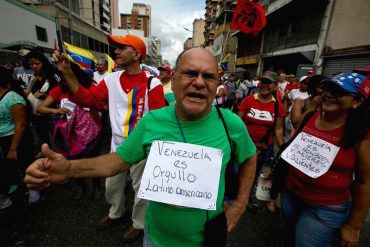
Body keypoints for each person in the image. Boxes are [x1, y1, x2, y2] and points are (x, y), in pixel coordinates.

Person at [24, 47, 257, 247]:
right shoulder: (152, 122)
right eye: (190, 73)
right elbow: (117, 160)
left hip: (209, 239)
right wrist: (68, 169)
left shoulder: (231, 123)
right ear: (173, 80)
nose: (199, 82)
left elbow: (249, 157)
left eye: (208, 76)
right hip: (155, 239)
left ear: (217, 84)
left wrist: (239, 204)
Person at [50, 34, 166, 242]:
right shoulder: (111, 80)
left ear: (137, 54)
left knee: (141, 191)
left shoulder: (153, 83)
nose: (115, 51)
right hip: (117, 147)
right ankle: (116, 212)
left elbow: (159, 120)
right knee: (111, 186)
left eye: (122, 47)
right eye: (116, 47)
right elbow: (88, 99)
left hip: (142, 149)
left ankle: (138, 224)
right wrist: (67, 71)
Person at [280, 72, 370, 247]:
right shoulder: (309, 116)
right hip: (291, 195)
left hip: (326, 208)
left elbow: (364, 182)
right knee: (287, 240)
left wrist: (353, 226)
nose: (329, 94)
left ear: (357, 102)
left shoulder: (362, 133)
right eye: (328, 88)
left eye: (339, 91)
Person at [36, 62, 103, 200]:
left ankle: (97, 186)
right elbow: (40, 108)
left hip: (92, 131)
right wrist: (56, 110)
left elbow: (101, 104)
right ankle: (81, 186)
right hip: (71, 134)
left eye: (66, 74)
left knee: (93, 161)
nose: (63, 78)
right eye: (62, 75)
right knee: (73, 161)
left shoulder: (89, 86)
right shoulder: (59, 89)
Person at [237, 71, 286, 212]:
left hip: (264, 148)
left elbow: (278, 130)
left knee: (255, 173)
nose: (264, 85)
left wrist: (283, 148)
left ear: (275, 85)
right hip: (245, 145)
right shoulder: (248, 100)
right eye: (263, 82)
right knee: (239, 170)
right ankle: (234, 195)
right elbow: (237, 124)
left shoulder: (278, 106)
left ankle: (246, 197)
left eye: (268, 82)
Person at [0, 66, 33, 209]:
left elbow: (21, 125)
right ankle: (15, 187)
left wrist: (13, 148)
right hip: (3, 139)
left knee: (25, 164)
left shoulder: (13, 98)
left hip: (16, 138)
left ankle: (34, 190)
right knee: (8, 167)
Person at [25, 51, 59, 155]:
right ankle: (47, 155)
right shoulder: (32, 78)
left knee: (58, 137)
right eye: (31, 64)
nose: (34, 66)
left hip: (52, 113)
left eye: (37, 63)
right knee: (43, 138)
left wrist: (45, 95)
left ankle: (62, 156)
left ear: (43, 63)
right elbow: (30, 92)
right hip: (38, 115)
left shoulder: (53, 76)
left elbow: (60, 93)